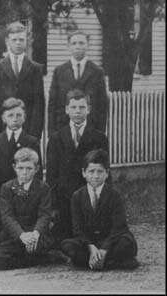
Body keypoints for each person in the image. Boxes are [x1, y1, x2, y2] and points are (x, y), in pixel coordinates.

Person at [46, 89, 109, 242]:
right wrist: (53, 204)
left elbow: (105, 172)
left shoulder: (99, 138)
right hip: (64, 198)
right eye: (73, 107)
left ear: (89, 109)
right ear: (67, 109)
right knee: (61, 241)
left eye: (82, 107)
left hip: (88, 194)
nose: (77, 111)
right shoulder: (56, 138)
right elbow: (51, 174)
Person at [61, 149, 139, 270]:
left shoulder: (114, 195)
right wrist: (91, 247)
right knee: (67, 245)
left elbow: (119, 227)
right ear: (83, 173)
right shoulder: (77, 196)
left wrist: (103, 250)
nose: (95, 176)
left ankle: (97, 261)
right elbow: (77, 229)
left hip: (111, 241)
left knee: (126, 244)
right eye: (91, 171)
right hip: (90, 242)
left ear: (107, 173)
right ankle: (110, 262)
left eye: (100, 171)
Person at [0, 148, 54, 270]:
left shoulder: (43, 187)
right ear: (14, 167)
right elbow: (7, 216)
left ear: (36, 169)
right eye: (21, 168)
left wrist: (35, 234)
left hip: (36, 234)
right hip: (15, 235)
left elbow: (44, 215)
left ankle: (35, 255)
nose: (24, 172)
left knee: (38, 248)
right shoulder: (7, 188)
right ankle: (37, 259)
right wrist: (22, 235)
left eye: (29, 168)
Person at [0, 98, 42, 230]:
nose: (15, 119)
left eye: (19, 115)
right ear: (3, 118)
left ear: (24, 117)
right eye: (10, 115)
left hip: (25, 199)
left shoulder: (32, 142)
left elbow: (37, 173)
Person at [0, 21, 45, 139]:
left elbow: (38, 105)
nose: (18, 43)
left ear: (26, 41)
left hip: (27, 130)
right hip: (2, 131)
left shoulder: (35, 68)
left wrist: (34, 135)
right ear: (7, 41)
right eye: (14, 40)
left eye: (21, 39)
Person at [48, 30, 107, 134]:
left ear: (87, 45)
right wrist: (52, 133)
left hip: (90, 128)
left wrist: (100, 133)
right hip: (63, 127)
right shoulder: (59, 71)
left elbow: (102, 106)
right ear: (69, 46)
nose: (77, 47)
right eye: (74, 43)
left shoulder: (97, 72)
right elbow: (52, 105)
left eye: (81, 43)